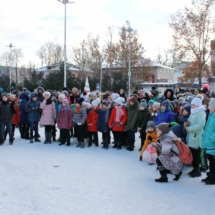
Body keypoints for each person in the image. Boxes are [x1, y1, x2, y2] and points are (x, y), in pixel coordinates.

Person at [185, 98, 206, 178]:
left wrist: (189, 128)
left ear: (197, 104)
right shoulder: (193, 112)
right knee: (192, 153)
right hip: (191, 135)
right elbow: (191, 121)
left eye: (193, 104)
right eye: (192, 104)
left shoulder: (200, 112)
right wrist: (186, 125)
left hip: (196, 136)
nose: (192, 106)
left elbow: (201, 125)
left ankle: (197, 169)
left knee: (195, 153)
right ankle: (195, 168)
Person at [201, 99, 215, 184]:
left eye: (210, 106)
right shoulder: (211, 115)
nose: (209, 107)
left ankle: (213, 177)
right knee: (210, 159)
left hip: (212, 143)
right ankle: (210, 174)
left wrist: (211, 138)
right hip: (209, 143)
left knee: (213, 161)